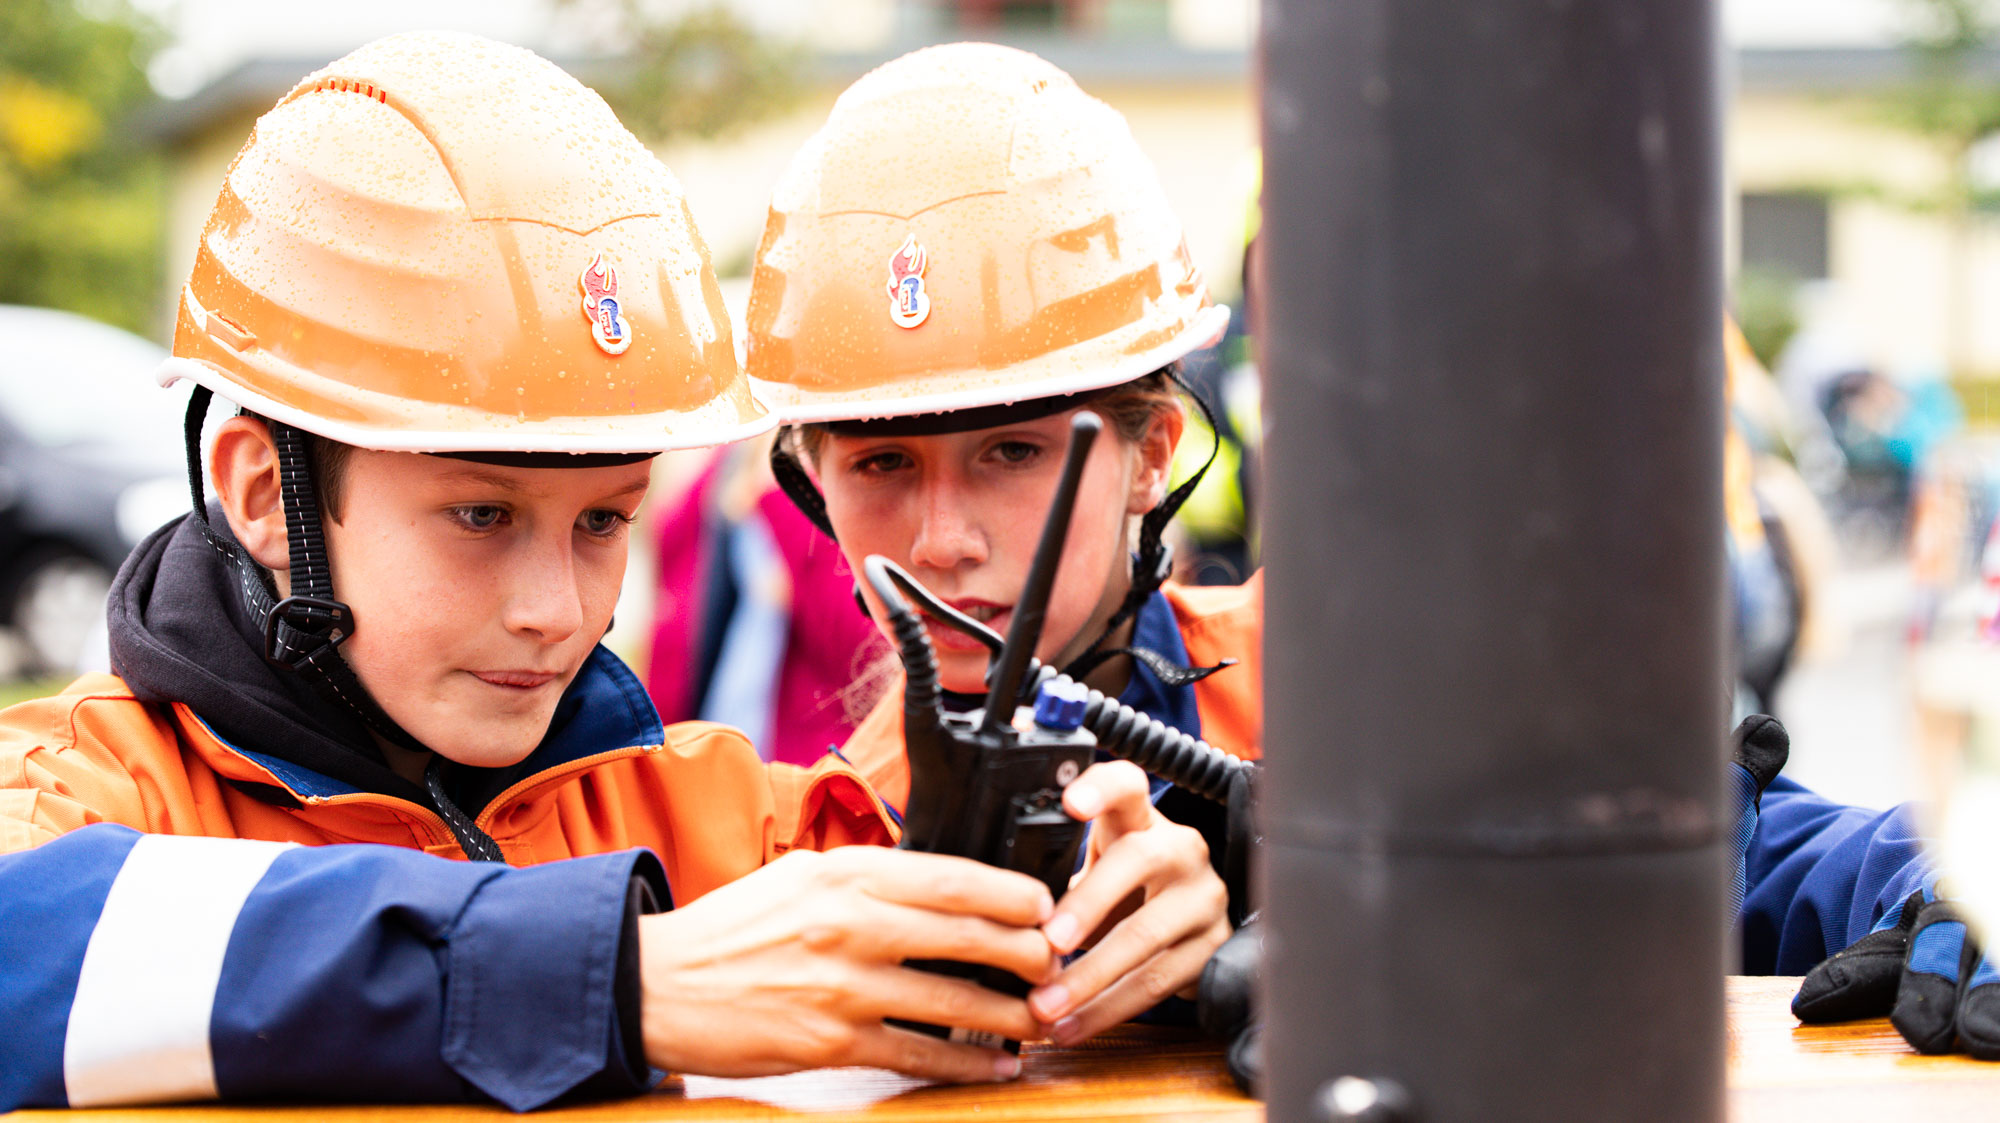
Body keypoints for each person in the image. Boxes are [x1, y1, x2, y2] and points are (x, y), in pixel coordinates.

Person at [0, 33, 1207, 1111]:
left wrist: (1116, 894)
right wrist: (614, 977)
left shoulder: (689, 815)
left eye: (603, 522)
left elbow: (936, 890)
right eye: (480, 513)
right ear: (265, 493)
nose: (559, 611)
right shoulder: (85, 788)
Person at [747, 43, 1245, 1046]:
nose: (940, 542)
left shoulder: (1344, 696)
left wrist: (1276, 909)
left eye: (1011, 451)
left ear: (1152, 454)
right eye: (880, 463)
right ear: (813, 480)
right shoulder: (800, 844)